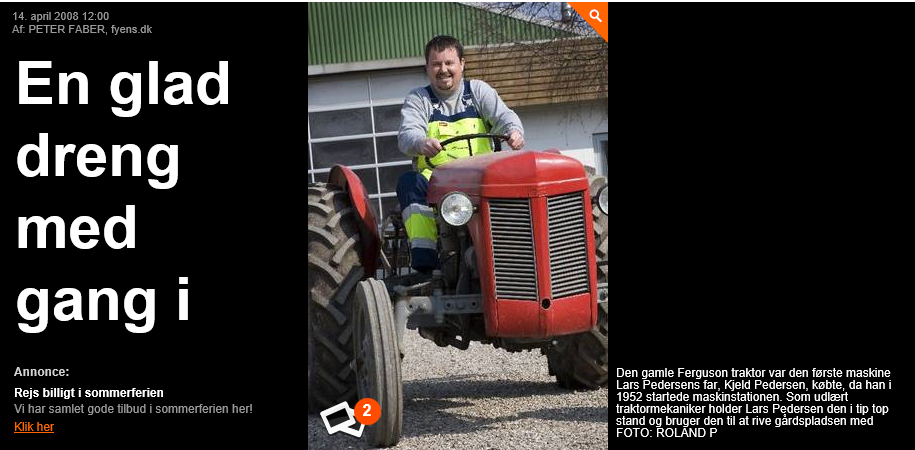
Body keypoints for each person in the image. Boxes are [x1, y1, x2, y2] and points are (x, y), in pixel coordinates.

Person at [397, 35, 525, 273]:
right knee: (409, 182)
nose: (443, 70)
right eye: (436, 64)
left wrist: (514, 131)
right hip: (437, 182)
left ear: (462, 64)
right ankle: (426, 259)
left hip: (482, 179)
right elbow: (406, 136)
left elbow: (504, 117)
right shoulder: (419, 99)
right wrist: (421, 141)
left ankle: (518, 251)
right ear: (427, 67)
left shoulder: (478, 91)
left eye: (449, 63)